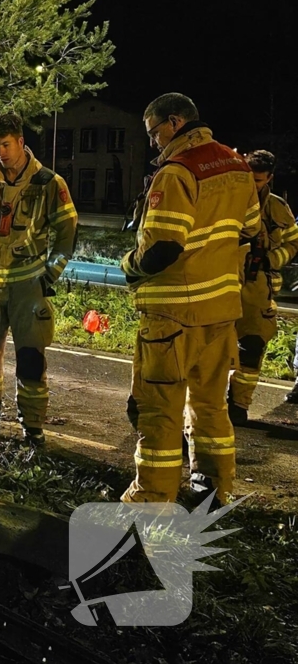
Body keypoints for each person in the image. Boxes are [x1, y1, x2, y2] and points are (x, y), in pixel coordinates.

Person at [120, 93, 260, 505]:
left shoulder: (177, 172)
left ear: (175, 122)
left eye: (154, 132)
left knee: (159, 409)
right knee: (211, 405)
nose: (153, 142)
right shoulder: (237, 166)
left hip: (174, 316)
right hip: (221, 310)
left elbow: (163, 247)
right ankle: (213, 488)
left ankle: (151, 498)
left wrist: (129, 265)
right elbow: (250, 228)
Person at [0, 113, 78, 443]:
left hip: (27, 284)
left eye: (6, 145)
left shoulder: (48, 183)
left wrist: (49, 275)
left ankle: (33, 430)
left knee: (30, 360)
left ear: (21, 142)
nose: (1, 152)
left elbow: (67, 233)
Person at [228, 150, 298, 421]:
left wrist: (271, 260)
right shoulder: (226, 198)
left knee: (252, 346)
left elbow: (293, 243)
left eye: (258, 180)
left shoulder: (276, 207)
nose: (252, 184)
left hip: (256, 287)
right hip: (222, 280)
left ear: (269, 178)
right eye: (249, 177)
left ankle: (238, 404)